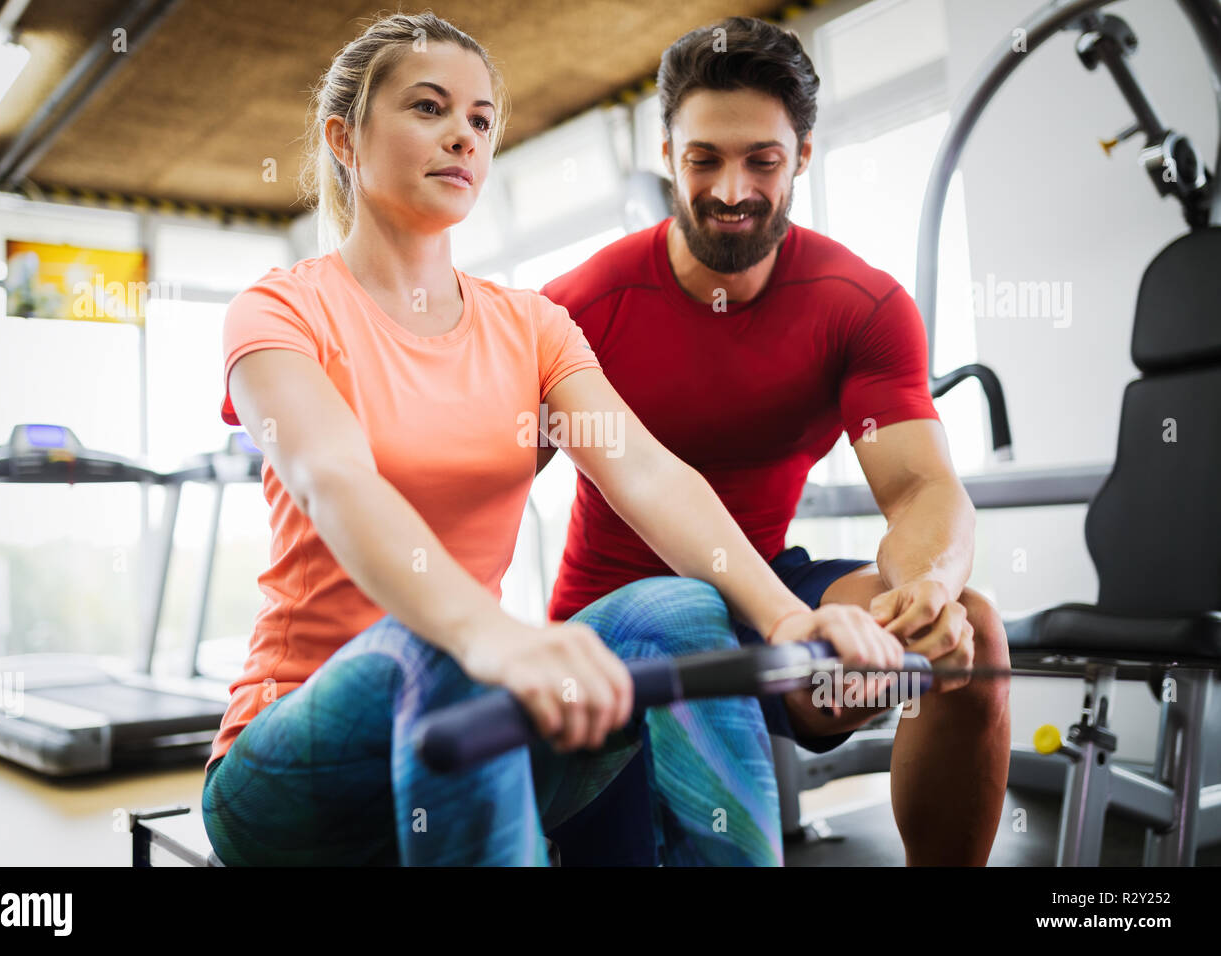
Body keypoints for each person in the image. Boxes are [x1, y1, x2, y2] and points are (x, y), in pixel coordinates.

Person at [200, 11, 908, 867]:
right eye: (429, 109)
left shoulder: (532, 327)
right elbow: (335, 480)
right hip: (291, 769)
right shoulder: (280, 311)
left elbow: (649, 476)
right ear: (344, 138)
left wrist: (792, 619)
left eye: (481, 120)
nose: (462, 136)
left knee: (681, 608)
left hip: (478, 727)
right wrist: (492, 638)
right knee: (445, 648)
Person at [541, 17, 1011, 867]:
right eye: (704, 159)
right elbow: (483, 488)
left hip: (766, 599)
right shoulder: (581, 306)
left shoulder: (857, 307)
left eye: (761, 159)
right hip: (609, 622)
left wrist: (929, 588)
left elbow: (917, 490)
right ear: (667, 154)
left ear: (801, 155)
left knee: (968, 631)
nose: (731, 190)